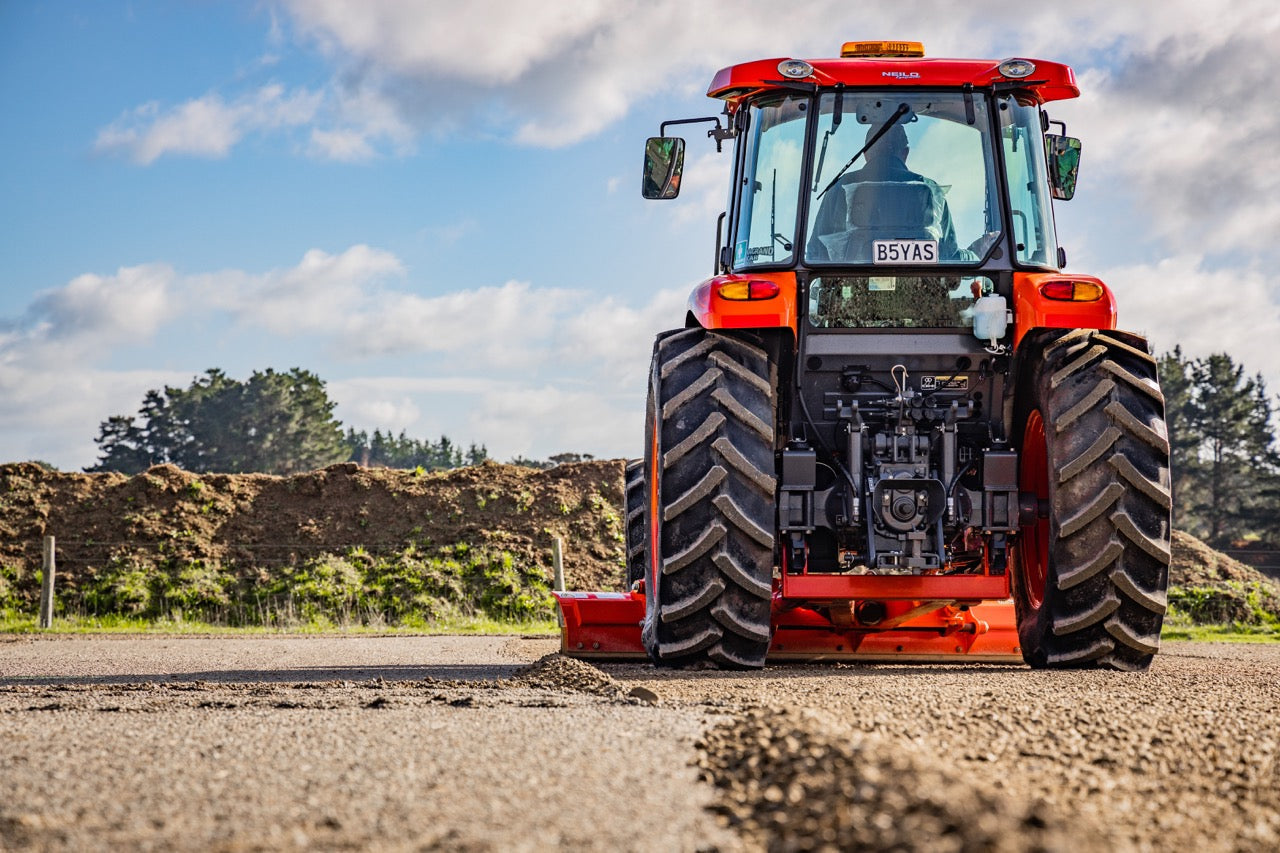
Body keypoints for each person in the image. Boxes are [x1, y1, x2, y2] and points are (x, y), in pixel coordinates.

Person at [808, 120, 967, 262]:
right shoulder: (931, 190)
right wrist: (978, 252)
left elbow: (816, 253)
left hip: (851, 292)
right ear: (905, 153)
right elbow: (950, 258)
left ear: (865, 153)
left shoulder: (840, 188)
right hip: (922, 292)